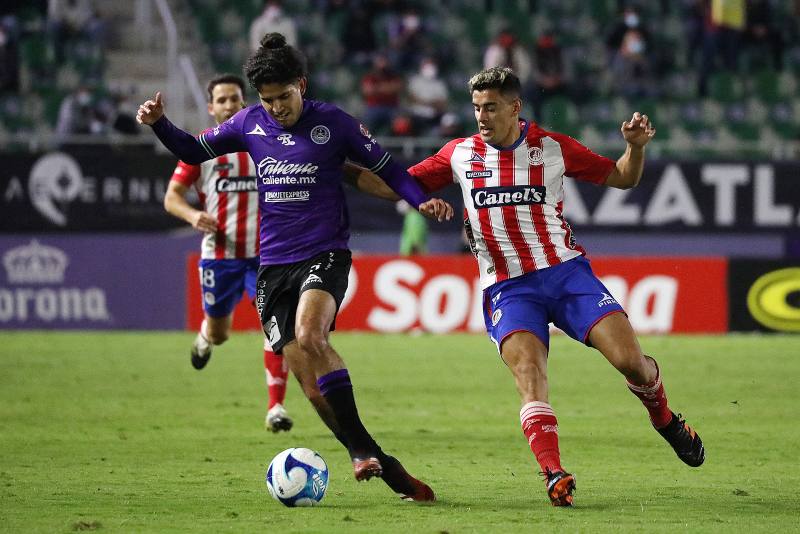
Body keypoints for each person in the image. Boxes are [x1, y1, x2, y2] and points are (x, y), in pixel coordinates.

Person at [354, 67, 705, 507]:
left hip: (566, 274)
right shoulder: (459, 154)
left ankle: (666, 419)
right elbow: (392, 187)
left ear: (515, 107)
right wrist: (337, 167)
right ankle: (553, 473)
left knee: (632, 363)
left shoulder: (553, 148)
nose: (482, 116)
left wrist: (635, 149)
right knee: (530, 375)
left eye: (491, 107)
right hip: (507, 288)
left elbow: (623, 177)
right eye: (477, 107)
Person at [137, 33, 452, 502]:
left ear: (301, 84)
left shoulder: (336, 123)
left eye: (284, 96)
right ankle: (378, 461)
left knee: (311, 336)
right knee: (308, 383)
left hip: (324, 252)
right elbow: (191, 151)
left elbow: (387, 167)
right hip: (273, 265)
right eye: (269, 100)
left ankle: (363, 451)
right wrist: (160, 123)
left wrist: (420, 201)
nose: (278, 107)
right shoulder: (248, 123)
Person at [163, 74, 293, 433]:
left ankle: (276, 408)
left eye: (235, 99)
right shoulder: (201, 150)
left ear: (244, 102)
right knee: (220, 332)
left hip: (267, 254)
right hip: (220, 256)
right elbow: (171, 198)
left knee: (275, 327)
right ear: (211, 108)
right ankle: (206, 338)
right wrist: (192, 215)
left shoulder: (264, 144)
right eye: (222, 100)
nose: (230, 106)